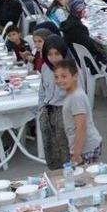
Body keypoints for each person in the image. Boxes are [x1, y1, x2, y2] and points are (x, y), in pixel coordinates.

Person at [54, 59, 102, 165]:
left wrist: (76, 154)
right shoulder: (71, 94)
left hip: (86, 148)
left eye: (64, 76)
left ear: (75, 76)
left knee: (86, 177)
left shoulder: (76, 97)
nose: (59, 80)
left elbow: (81, 127)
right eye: (56, 77)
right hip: (83, 147)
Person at [39, 35, 71, 170]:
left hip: (64, 111)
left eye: (57, 54)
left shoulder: (71, 71)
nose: (53, 58)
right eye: (50, 54)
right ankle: (56, 175)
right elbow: (42, 90)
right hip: (48, 111)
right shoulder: (45, 68)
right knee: (51, 149)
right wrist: (41, 108)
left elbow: (77, 95)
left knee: (65, 149)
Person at [60, 0, 106, 64]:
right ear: (78, 12)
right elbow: (89, 46)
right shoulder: (79, 27)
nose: (85, 11)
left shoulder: (67, 22)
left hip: (75, 56)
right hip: (85, 61)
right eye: (83, 9)